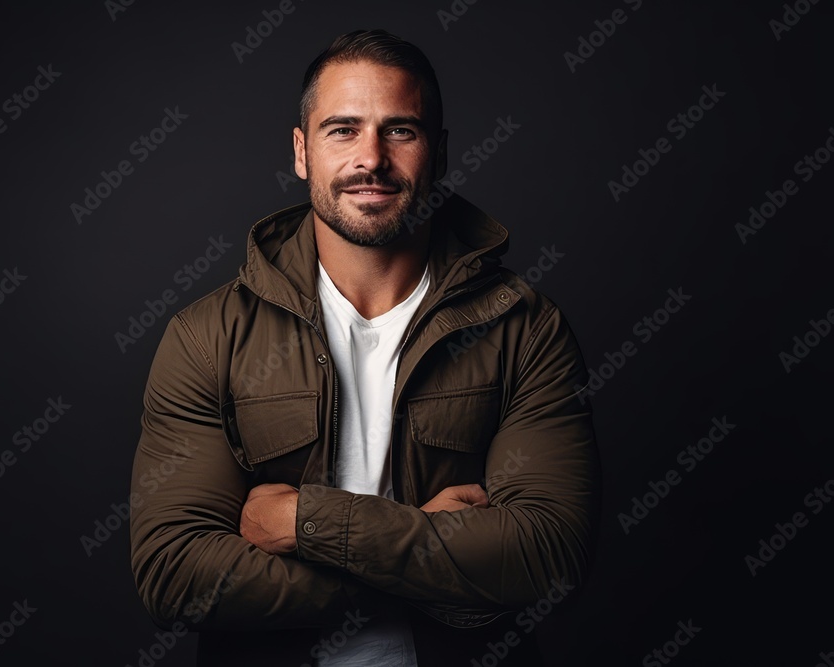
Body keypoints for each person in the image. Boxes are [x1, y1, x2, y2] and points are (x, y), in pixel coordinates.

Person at [130, 28, 600, 667]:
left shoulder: (524, 327)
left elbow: (548, 557)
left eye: (400, 130)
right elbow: (176, 574)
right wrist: (428, 557)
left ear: (438, 152)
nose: (371, 159)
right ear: (302, 151)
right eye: (343, 129)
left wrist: (306, 522)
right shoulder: (208, 336)